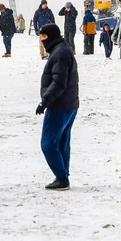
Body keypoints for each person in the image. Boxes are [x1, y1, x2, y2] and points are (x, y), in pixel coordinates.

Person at [34, 24, 79, 191]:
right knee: (61, 142)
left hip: (59, 105)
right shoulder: (61, 49)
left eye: (44, 37)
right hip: (69, 104)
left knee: (48, 144)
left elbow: (59, 83)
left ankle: (61, 177)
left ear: (51, 36)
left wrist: (45, 101)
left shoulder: (59, 53)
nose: (42, 40)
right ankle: (63, 176)